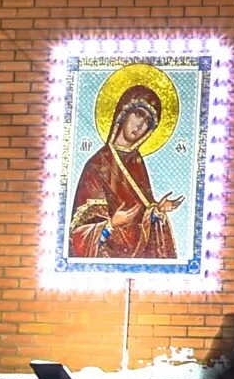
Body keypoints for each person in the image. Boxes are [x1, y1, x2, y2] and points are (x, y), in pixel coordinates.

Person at [66, 77, 183, 261]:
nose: (139, 126)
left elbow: (142, 217)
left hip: (138, 255)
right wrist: (111, 224)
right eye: (137, 114)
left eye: (147, 122)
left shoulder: (136, 162)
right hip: (107, 255)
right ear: (123, 114)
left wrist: (156, 211)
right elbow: (79, 229)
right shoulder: (97, 164)